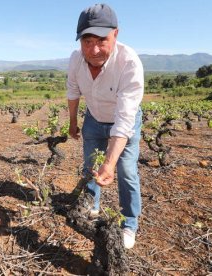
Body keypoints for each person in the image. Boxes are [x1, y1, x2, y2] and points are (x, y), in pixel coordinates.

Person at [67, 3, 144, 249]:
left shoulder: (129, 63)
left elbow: (124, 120)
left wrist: (109, 163)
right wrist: (72, 123)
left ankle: (129, 224)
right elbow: (73, 91)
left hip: (124, 121)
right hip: (93, 119)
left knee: (126, 172)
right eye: (87, 42)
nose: (94, 49)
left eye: (102, 40)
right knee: (89, 167)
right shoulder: (76, 59)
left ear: (116, 34)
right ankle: (92, 206)